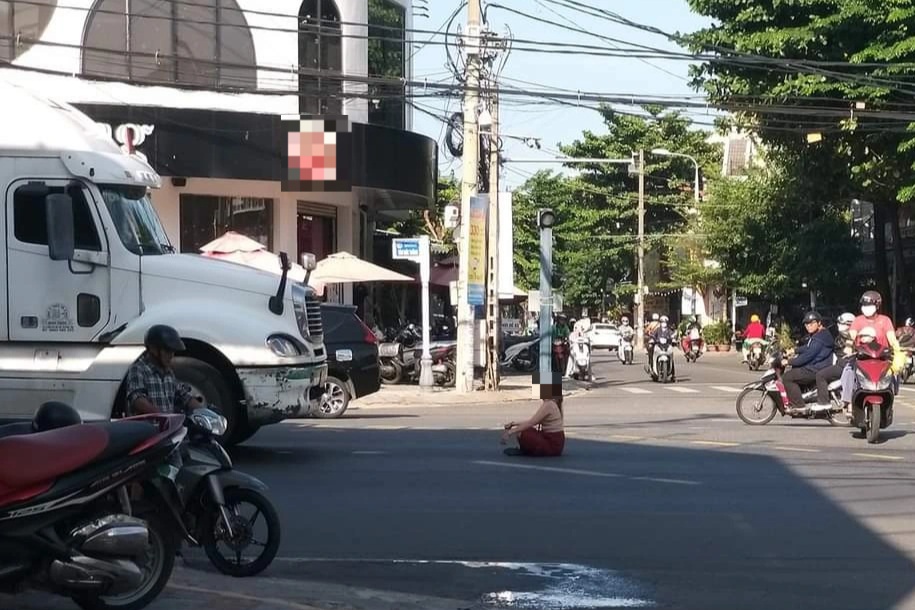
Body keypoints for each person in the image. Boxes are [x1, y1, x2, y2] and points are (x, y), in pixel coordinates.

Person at [841, 291, 905, 406]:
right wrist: (848, 348)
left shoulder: (885, 320)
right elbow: (851, 337)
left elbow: (892, 339)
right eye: (864, 305)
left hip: (881, 358)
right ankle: (848, 402)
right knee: (848, 371)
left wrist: (897, 351)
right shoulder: (858, 320)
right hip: (862, 358)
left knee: (894, 372)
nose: (866, 308)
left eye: (869, 305)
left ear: (877, 306)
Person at [125, 325, 204, 415]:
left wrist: (204, 411)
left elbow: (184, 396)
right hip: (147, 426)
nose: (171, 355)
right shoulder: (138, 369)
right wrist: (162, 416)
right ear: (153, 349)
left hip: (169, 427)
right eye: (167, 351)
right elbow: (137, 399)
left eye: (173, 352)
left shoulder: (169, 373)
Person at [781, 311, 834, 409]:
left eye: (812, 323)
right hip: (816, 365)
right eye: (806, 324)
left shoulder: (820, 337)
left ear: (819, 323)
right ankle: (802, 395)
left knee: (787, 377)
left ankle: (799, 405)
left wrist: (788, 361)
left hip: (817, 368)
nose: (809, 326)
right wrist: (794, 350)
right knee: (795, 368)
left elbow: (807, 356)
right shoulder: (819, 334)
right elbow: (808, 347)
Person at [501, 383, 565, 457]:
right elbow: (533, 421)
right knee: (525, 429)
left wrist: (510, 432)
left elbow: (531, 423)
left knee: (522, 432)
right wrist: (513, 424)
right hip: (554, 443)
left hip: (552, 445)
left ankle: (526, 450)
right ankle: (527, 449)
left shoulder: (549, 404)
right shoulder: (551, 403)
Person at [814, 312, 855, 409]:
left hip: (845, 366)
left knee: (820, 375)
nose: (840, 326)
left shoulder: (854, 339)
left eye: (843, 324)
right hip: (842, 364)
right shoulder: (839, 338)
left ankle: (824, 403)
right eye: (839, 323)